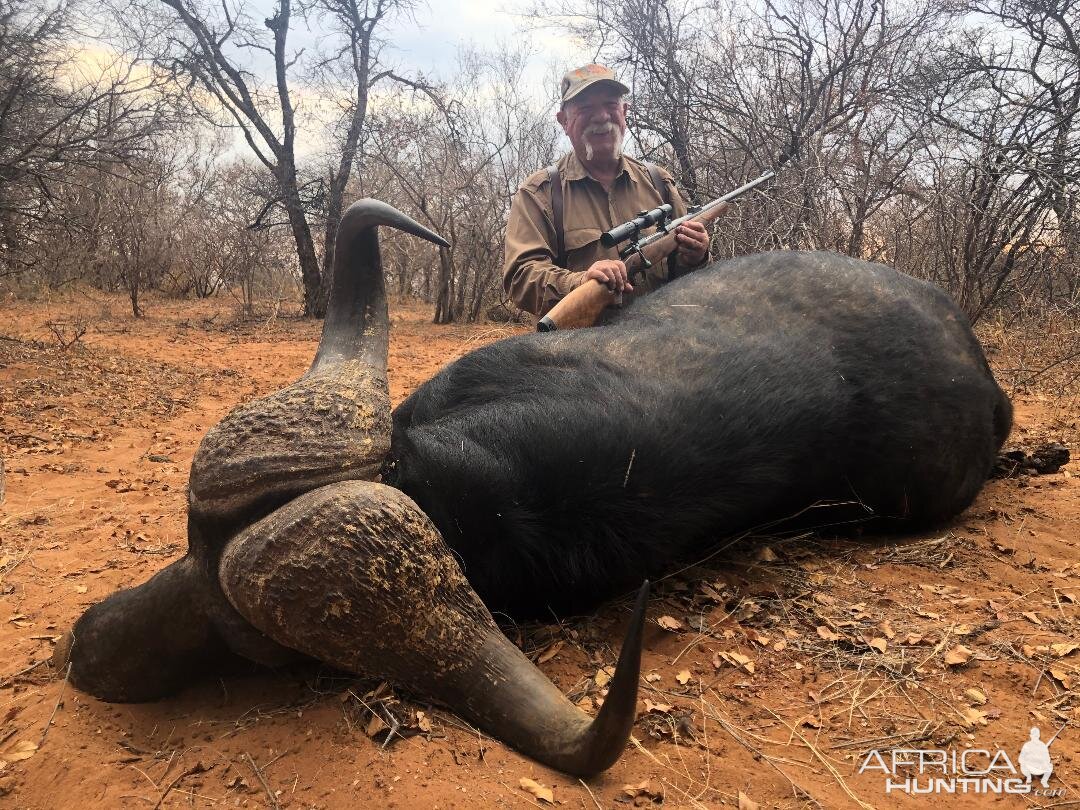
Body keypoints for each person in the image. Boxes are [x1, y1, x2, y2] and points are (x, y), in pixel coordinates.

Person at [502, 63, 710, 317]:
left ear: (625, 112)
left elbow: (686, 282)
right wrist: (580, 283)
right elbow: (521, 277)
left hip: (660, 346)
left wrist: (696, 257)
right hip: (580, 353)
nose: (601, 117)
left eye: (611, 106)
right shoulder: (539, 194)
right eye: (586, 108)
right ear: (564, 121)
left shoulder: (659, 182)